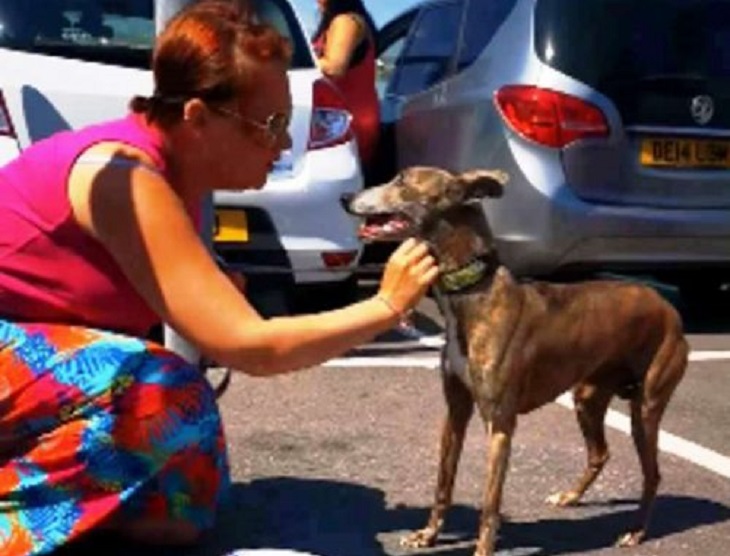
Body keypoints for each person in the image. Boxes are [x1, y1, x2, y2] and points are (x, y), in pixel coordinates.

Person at [0, 1, 438, 555]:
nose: (282, 144)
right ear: (198, 118)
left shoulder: (175, 171)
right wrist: (386, 306)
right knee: (163, 393)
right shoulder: (124, 177)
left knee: (188, 497)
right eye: (270, 124)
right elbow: (251, 348)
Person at [312, 0, 379, 168]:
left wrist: (283, 61)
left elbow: (334, 67)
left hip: (348, 122)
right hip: (341, 120)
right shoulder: (338, 22)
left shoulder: (345, 22)